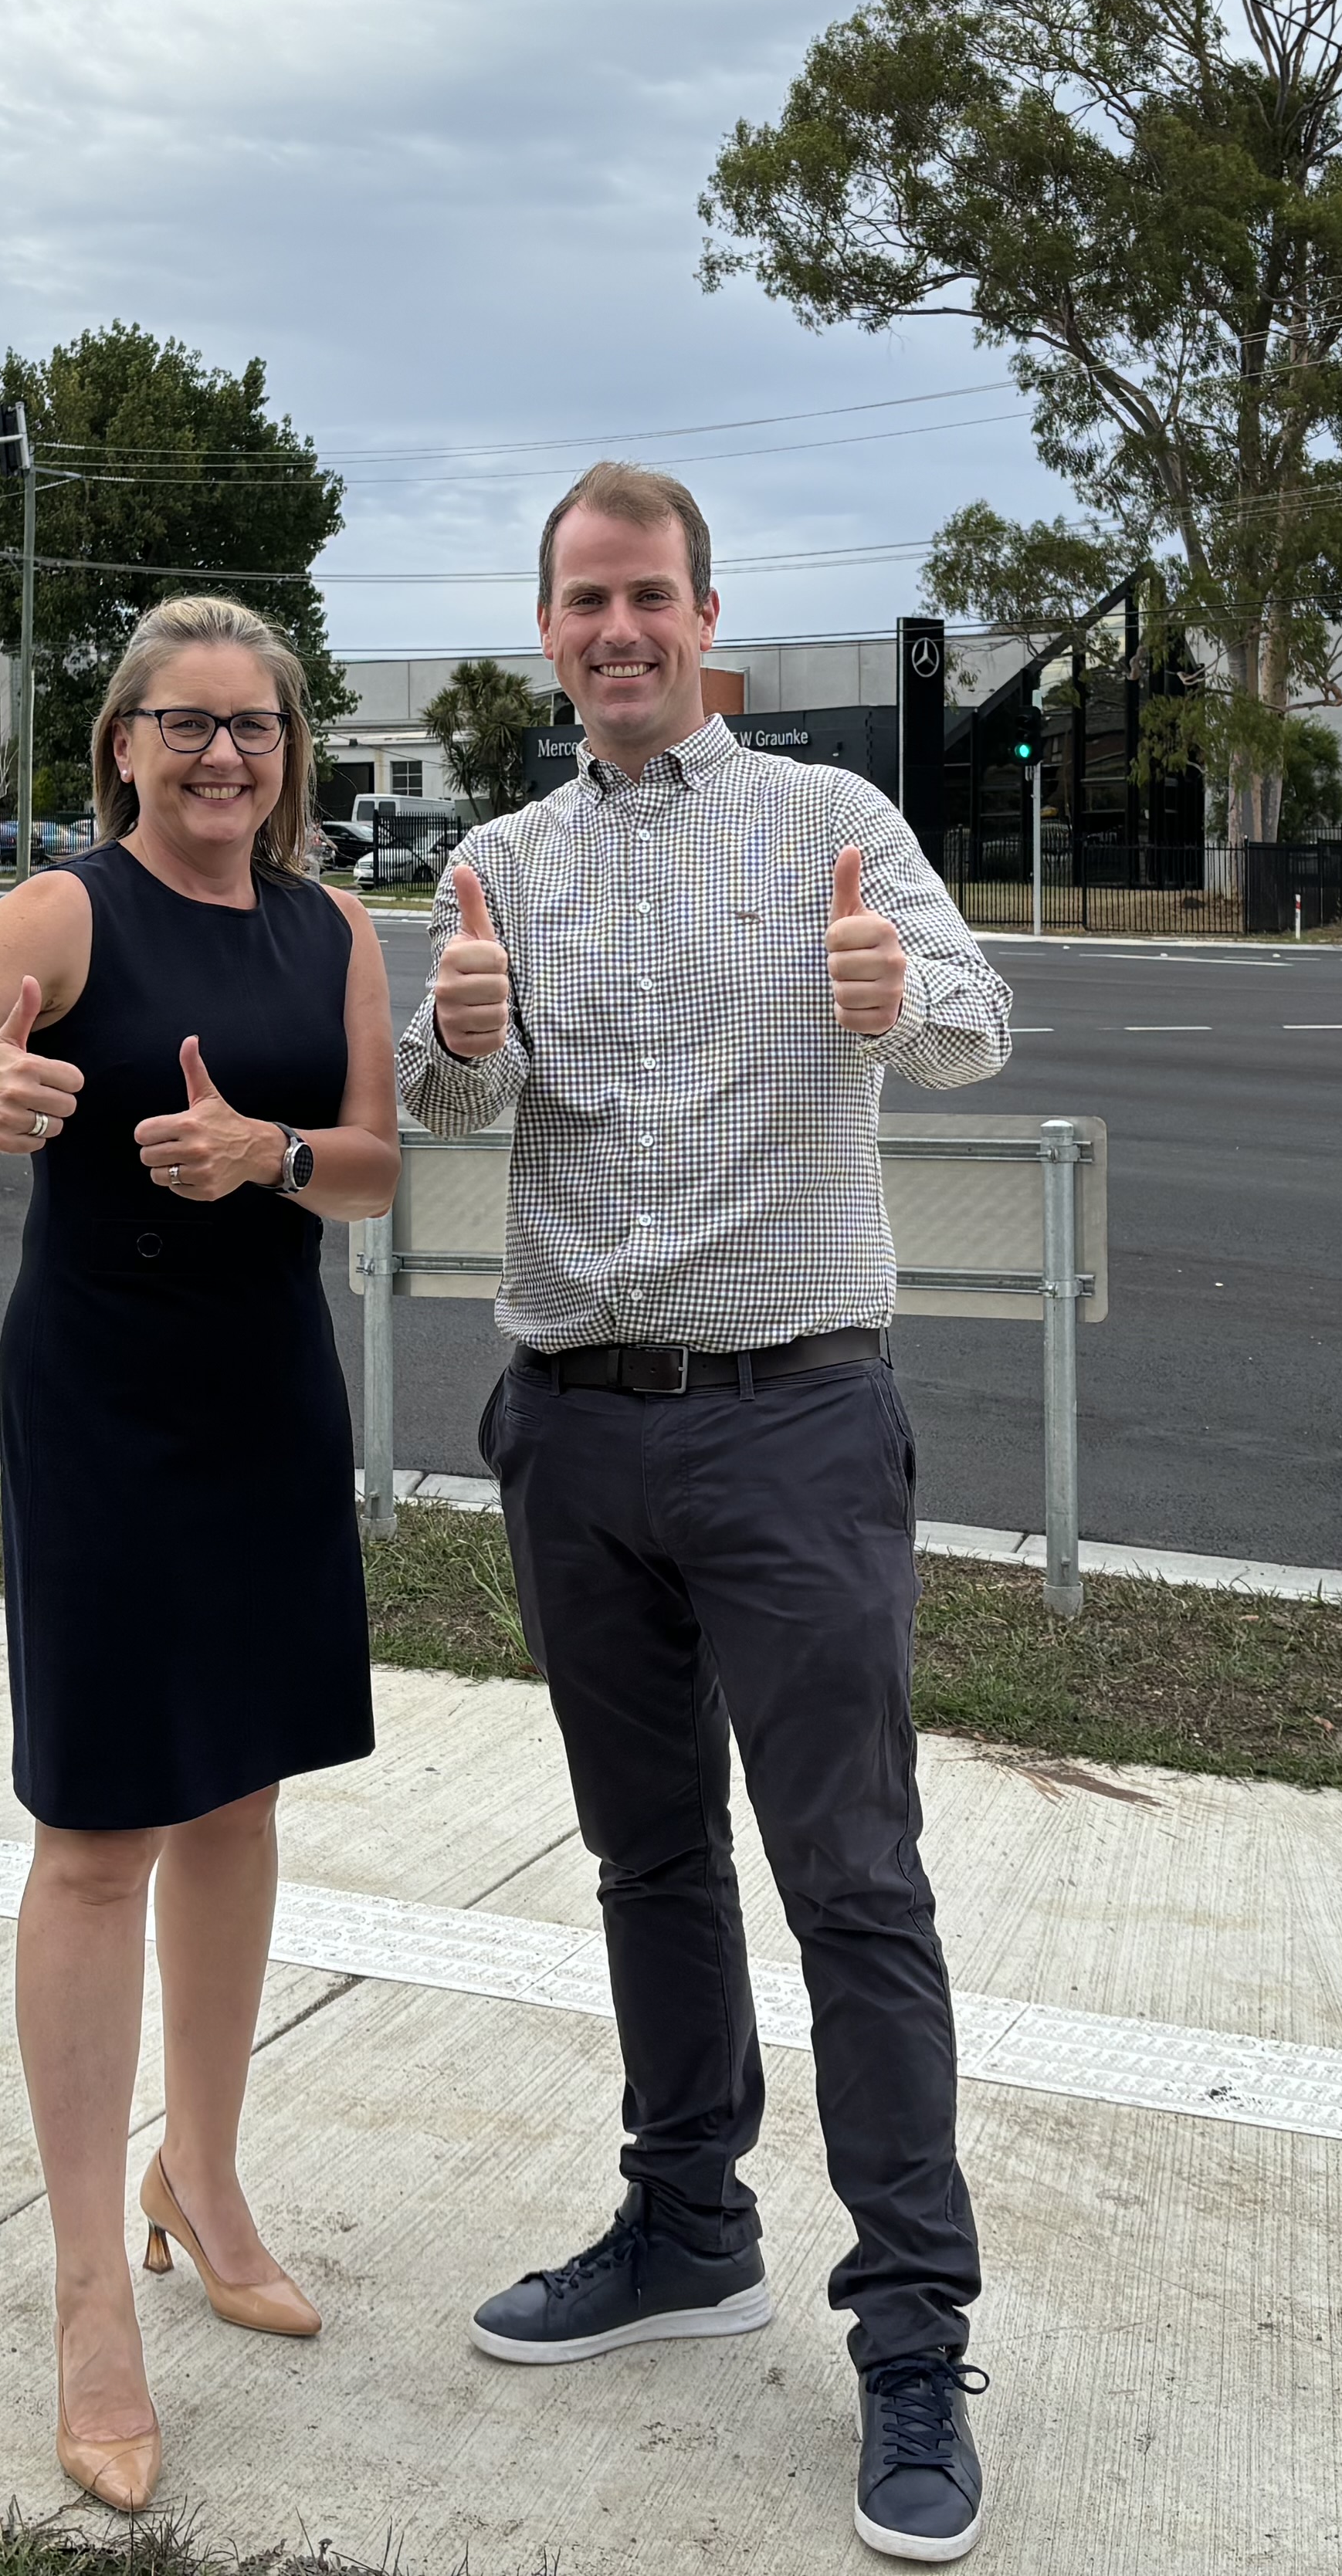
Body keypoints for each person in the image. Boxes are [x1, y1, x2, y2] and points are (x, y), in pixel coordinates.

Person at [404, 462, 1015, 2564]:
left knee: (852, 1874)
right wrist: (459, 1048)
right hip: (576, 1427)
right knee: (647, 1853)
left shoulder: (830, 828)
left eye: (647, 594)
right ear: (550, 632)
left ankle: (915, 2330)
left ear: (706, 615)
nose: (618, 629)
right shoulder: (498, 861)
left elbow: (970, 1017)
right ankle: (685, 2218)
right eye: (584, 600)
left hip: (794, 1426)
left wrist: (896, 999)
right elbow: (455, 1103)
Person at [0, 592, 402, 2518]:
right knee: (95, 1840)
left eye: (255, 728)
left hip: (267, 1406)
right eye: (186, 725)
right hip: (103, 1415)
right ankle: (89, 2298)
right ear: (124, 745)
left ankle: (205, 2179)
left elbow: (387, 1157)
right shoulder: (67, 916)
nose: (223, 756)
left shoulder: (335, 933)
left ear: (289, 753)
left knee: (237, 1804)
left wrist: (278, 1162)